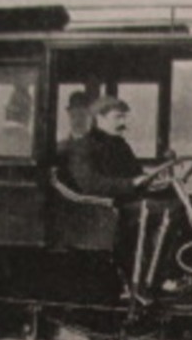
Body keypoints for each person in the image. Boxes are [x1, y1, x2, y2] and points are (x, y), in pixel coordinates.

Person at [57, 95, 184, 306]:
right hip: (104, 208)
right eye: (118, 117)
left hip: (127, 201)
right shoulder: (83, 147)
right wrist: (133, 183)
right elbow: (92, 185)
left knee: (190, 204)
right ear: (100, 118)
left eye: (124, 117)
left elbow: (133, 173)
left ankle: (178, 271)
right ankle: (144, 283)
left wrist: (152, 180)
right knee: (168, 212)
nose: (123, 123)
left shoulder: (119, 144)